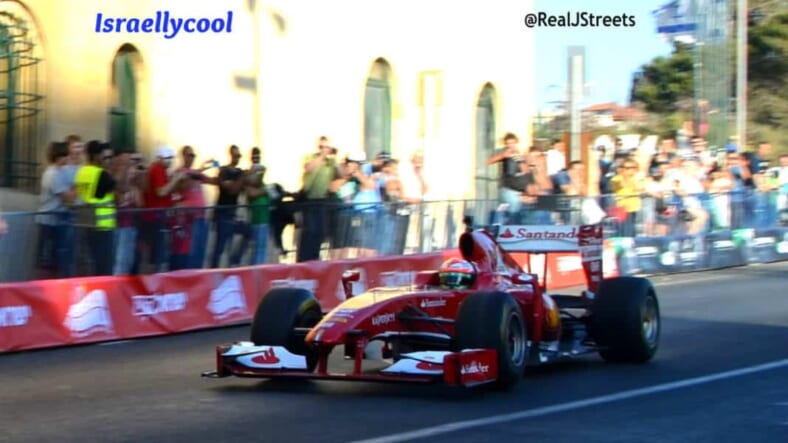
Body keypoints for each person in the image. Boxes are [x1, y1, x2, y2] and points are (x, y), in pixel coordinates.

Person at [74, 140, 117, 276]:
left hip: (85, 217)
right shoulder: (100, 173)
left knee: (89, 260)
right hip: (101, 222)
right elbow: (119, 188)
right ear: (97, 155)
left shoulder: (82, 171)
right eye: (102, 155)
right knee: (103, 265)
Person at [297, 136, 341, 262]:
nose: (325, 150)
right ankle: (305, 259)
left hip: (322, 200)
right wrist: (322, 156)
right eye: (322, 147)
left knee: (320, 232)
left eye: (327, 147)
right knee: (310, 231)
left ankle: (315, 257)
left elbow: (341, 174)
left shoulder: (331, 162)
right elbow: (309, 168)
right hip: (310, 199)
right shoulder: (310, 157)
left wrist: (335, 158)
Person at [245, 147, 271, 265]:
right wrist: (265, 190)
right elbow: (252, 189)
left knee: (262, 249)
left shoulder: (260, 176)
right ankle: (255, 272)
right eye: (254, 157)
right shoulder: (248, 174)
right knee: (256, 250)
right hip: (256, 219)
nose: (256, 159)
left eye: (258, 156)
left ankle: (258, 271)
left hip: (265, 218)